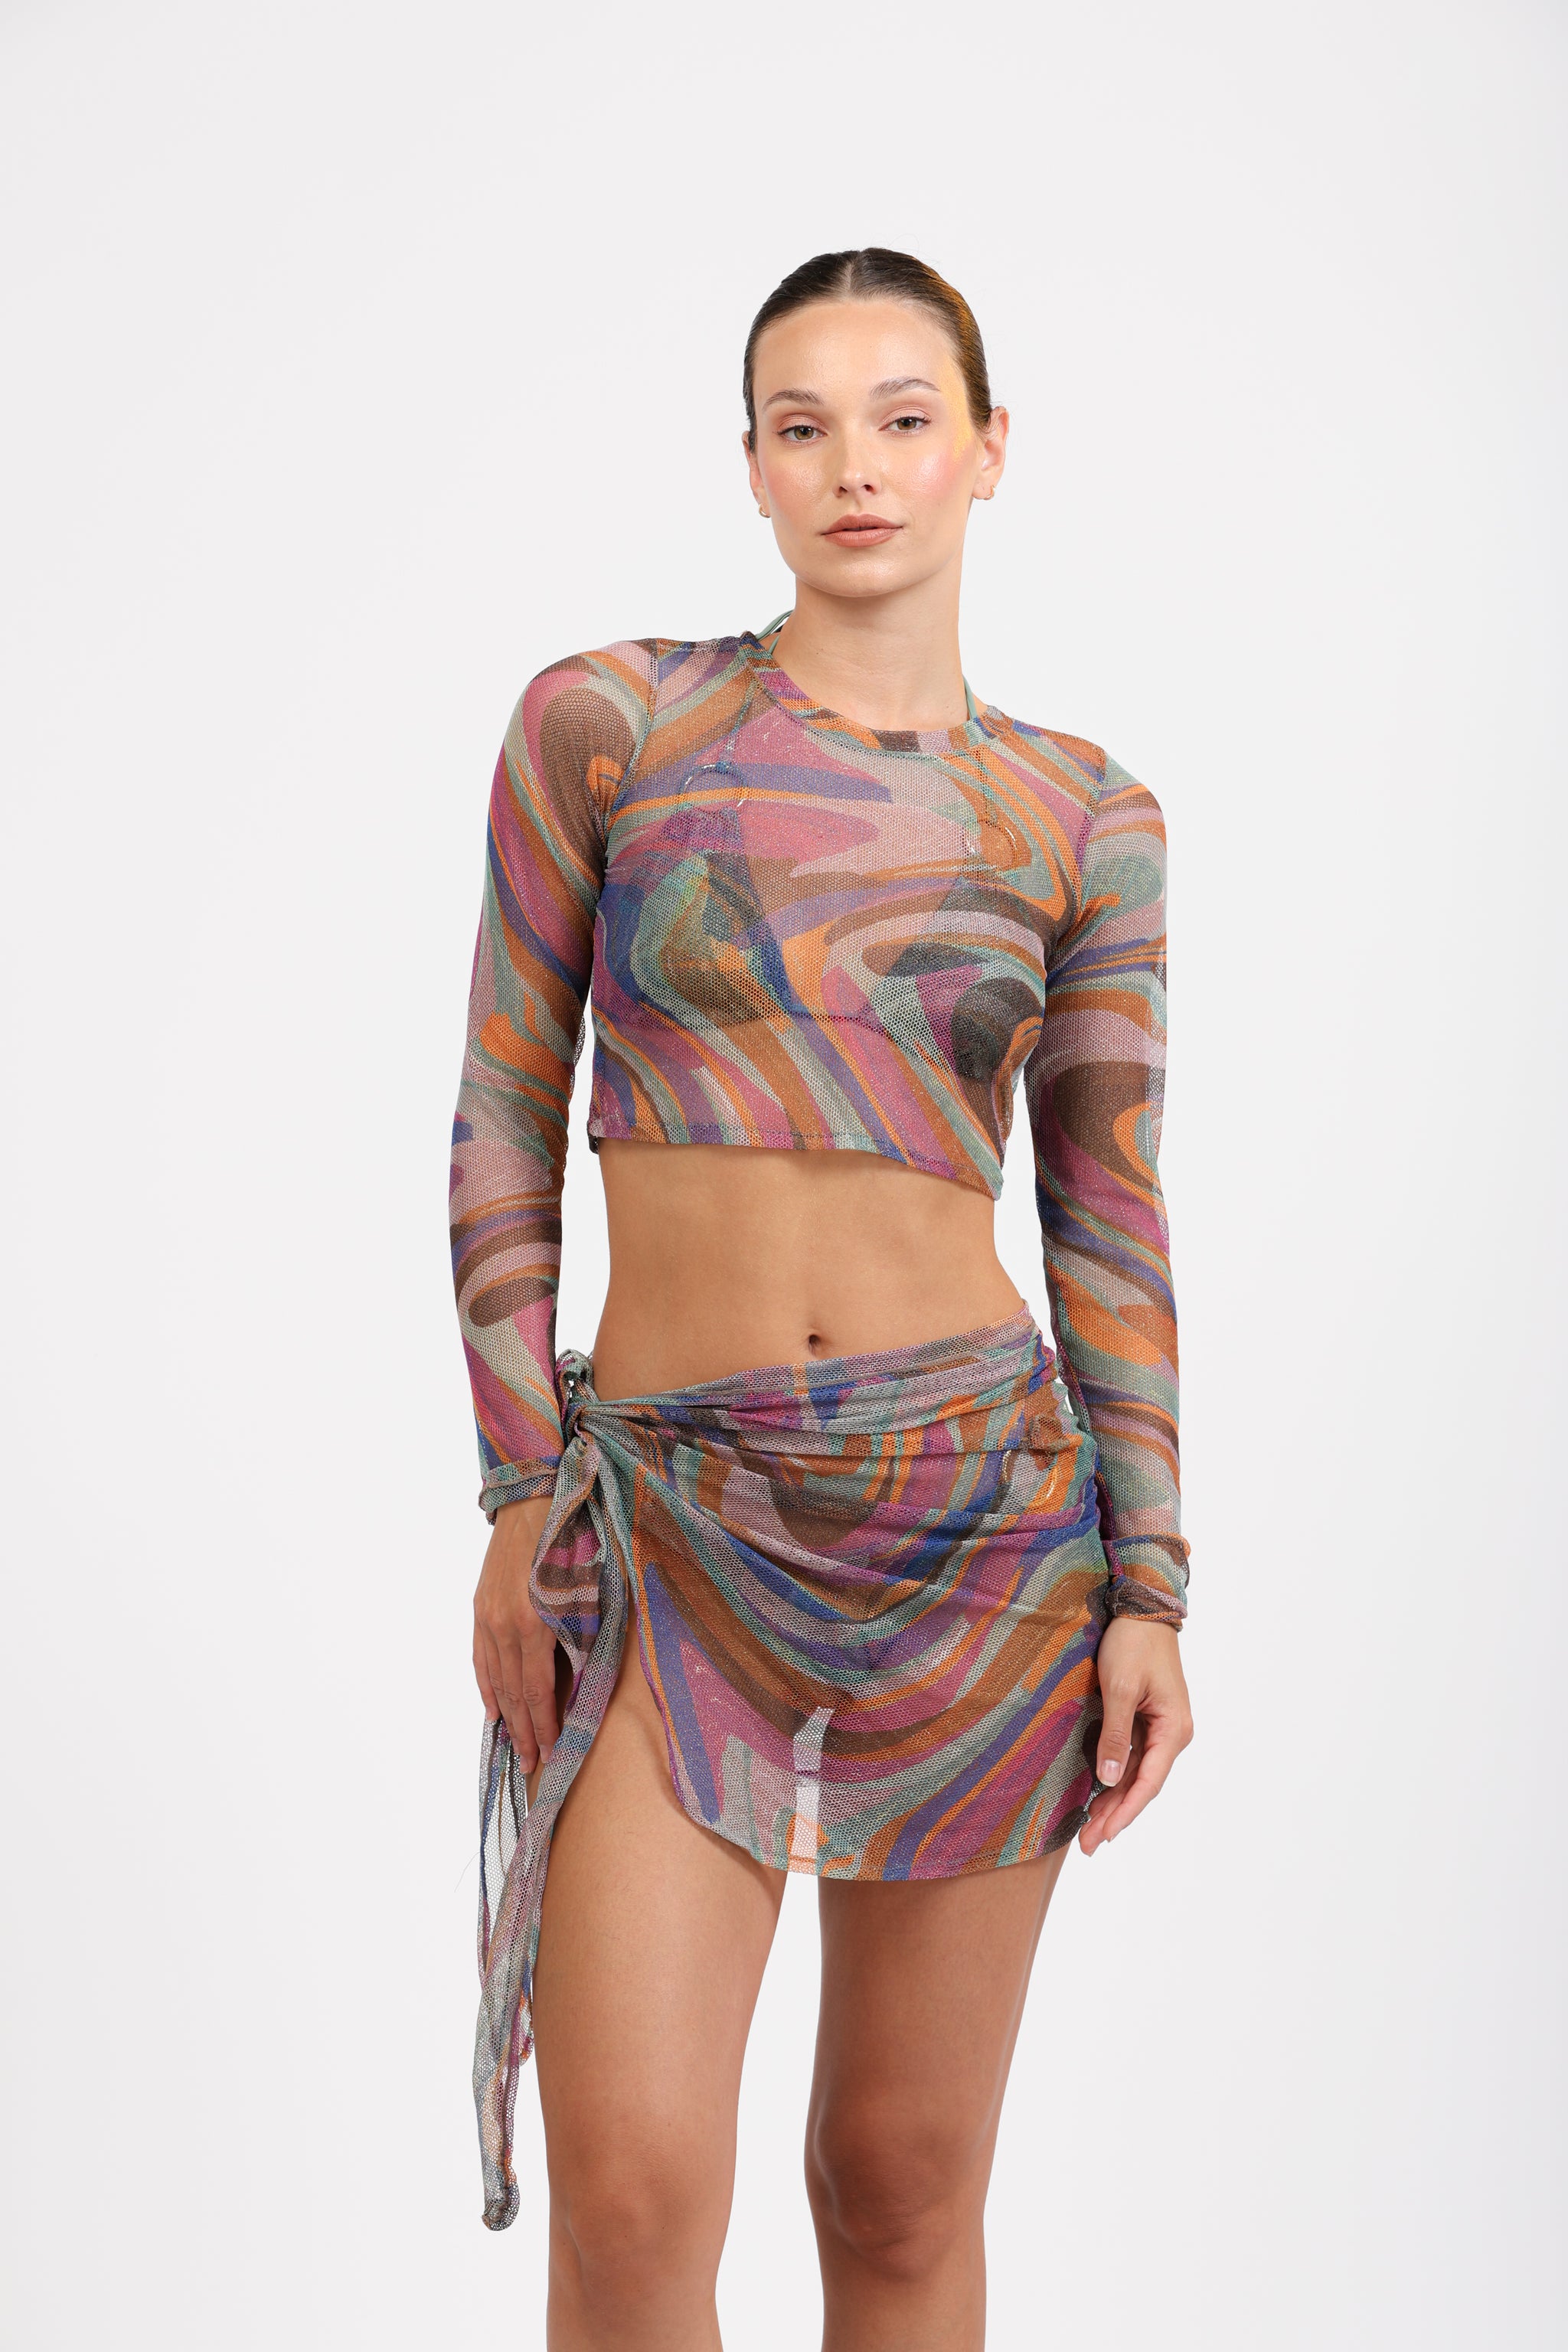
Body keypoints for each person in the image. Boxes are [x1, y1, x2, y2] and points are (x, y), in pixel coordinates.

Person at [451, 246, 1193, 2349]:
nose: (855, 465)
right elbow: (501, 1114)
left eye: (902, 418)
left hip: (982, 1536)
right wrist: (517, 1488)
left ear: (988, 450)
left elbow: (1110, 1213)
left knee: (897, 2183)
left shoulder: (1084, 816)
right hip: (665, 1527)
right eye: (804, 425)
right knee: (629, 2197)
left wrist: (1154, 1585)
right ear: (755, 466)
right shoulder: (611, 724)